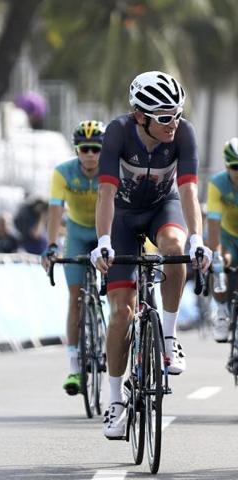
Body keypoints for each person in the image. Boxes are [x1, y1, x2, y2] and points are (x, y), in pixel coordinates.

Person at [91, 71, 211, 439]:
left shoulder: (183, 133)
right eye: (164, 117)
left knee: (175, 251)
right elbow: (106, 194)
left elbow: (189, 191)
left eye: (176, 113)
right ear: (140, 116)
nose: (173, 123)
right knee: (121, 314)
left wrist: (197, 239)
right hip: (123, 217)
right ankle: (115, 402)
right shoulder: (118, 132)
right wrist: (104, 240)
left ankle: (170, 339)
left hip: (164, 208)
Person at [42, 120, 105, 396]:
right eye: (84, 149)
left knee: (121, 294)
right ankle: (74, 367)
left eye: (95, 148)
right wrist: (52, 245)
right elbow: (55, 209)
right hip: (78, 234)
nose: (90, 154)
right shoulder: (63, 172)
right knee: (75, 299)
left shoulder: (111, 171)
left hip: (107, 233)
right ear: (77, 150)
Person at [206, 138, 238, 345]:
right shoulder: (217, 184)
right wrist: (216, 255)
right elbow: (213, 228)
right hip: (227, 236)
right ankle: (221, 311)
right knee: (218, 260)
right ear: (227, 166)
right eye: (235, 167)